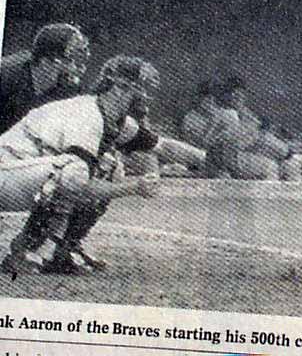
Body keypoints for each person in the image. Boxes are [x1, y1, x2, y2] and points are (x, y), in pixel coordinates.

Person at [0, 55, 207, 275]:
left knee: (110, 167)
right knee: (74, 170)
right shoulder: (88, 115)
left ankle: (60, 249)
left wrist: (205, 158)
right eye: (142, 88)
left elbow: (163, 147)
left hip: (28, 177)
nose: (146, 97)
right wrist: (134, 187)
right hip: (8, 173)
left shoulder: (113, 118)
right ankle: (24, 250)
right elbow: (78, 183)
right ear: (120, 86)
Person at [183, 76, 302, 181]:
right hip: (220, 158)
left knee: (290, 166)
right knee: (270, 166)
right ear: (198, 98)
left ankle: (291, 157)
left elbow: (258, 130)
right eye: (206, 97)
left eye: (212, 98)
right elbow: (202, 145)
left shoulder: (234, 113)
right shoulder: (194, 119)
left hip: (245, 152)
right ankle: (290, 155)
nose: (209, 101)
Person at [1, 23, 89, 136]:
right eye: (71, 60)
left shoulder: (69, 91)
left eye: (82, 59)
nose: (80, 69)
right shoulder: (6, 76)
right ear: (46, 62)